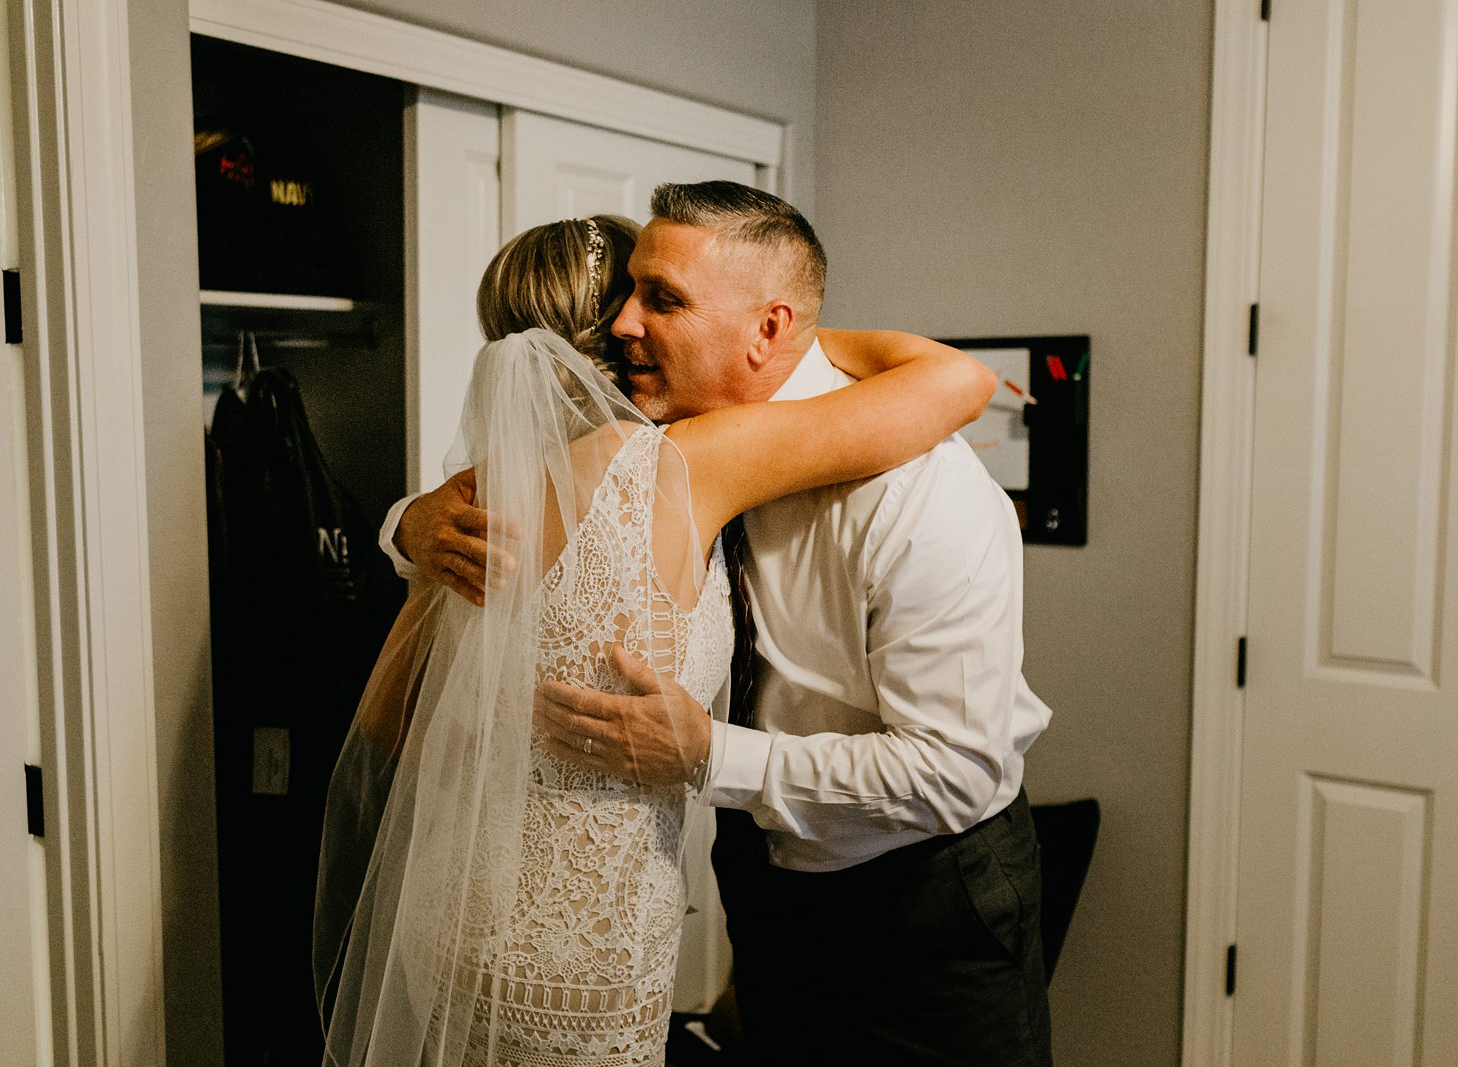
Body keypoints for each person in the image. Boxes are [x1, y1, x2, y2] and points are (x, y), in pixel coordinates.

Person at [395, 182, 1056, 1066]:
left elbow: (958, 769)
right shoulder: (673, 446)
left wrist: (709, 755)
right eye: (628, 293)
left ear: (769, 330)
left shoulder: (915, 488)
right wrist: (408, 522)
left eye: (662, 299)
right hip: (760, 874)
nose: (630, 321)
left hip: (925, 896)